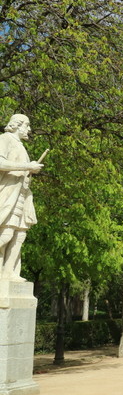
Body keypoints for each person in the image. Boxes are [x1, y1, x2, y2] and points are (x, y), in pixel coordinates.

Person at [0, 114, 44, 281]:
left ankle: (8, 273)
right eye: (27, 125)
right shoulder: (5, 139)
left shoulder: (20, 145)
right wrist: (27, 166)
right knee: (6, 234)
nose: (29, 129)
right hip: (7, 194)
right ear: (16, 125)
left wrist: (30, 169)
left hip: (22, 195)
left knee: (20, 234)